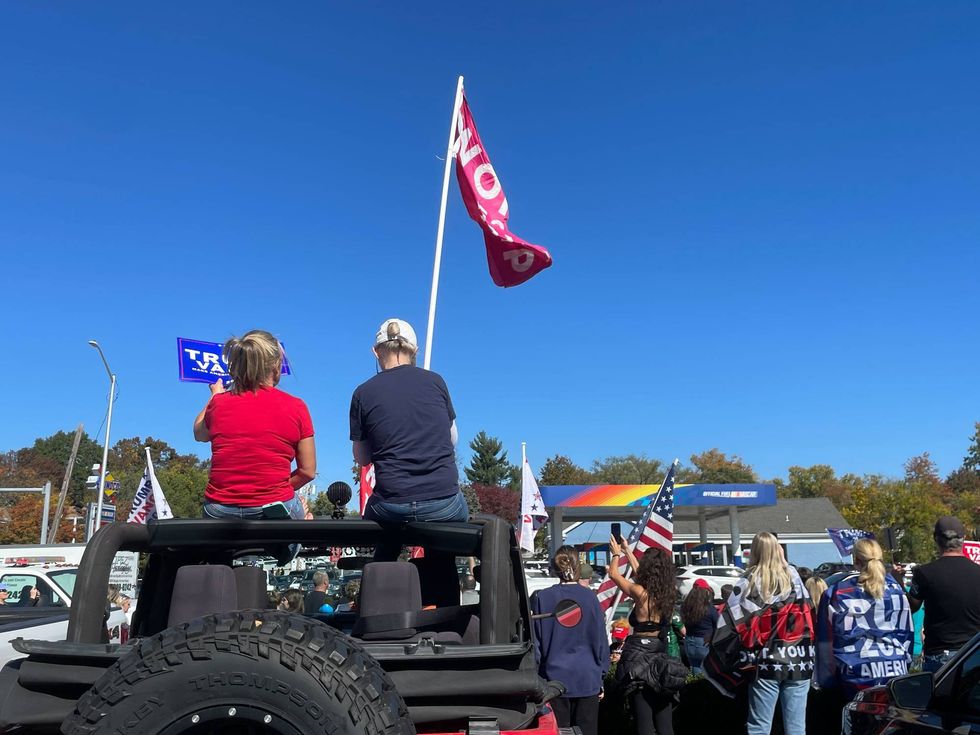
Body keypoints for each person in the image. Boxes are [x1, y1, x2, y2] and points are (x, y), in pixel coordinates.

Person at [351, 319, 467, 558]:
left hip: (391, 503)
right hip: (443, 501)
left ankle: (383, 579)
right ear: (415, 351)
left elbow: (362, 458)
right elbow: (452, 439)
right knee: (442, 547)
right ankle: (439, 585)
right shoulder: (436, 382)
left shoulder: (363, 393)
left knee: (384, 534)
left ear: (376, 351)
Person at [194, 330, 316, 520]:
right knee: (303, 509)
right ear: (276, 366)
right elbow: (308, 471)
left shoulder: (219, 403)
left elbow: (199, 433)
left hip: (219, 511)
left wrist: (214, 395)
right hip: (273, 509)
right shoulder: (296, 406)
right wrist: (270, 493)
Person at [704, 532, 814, 735]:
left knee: (759, 726)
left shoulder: (749, 582)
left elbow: (732, 623)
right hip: (799, 658)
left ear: (754, 551)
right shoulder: (794, 578)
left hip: (766, 662)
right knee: (797, 727)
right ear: (778, 550)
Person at [816, 538, 913, 704]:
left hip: (854, 670)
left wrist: (826, 681)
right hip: (895, 667)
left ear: (856, 561)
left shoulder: (836, 593)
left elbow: (826, 641)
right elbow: (907, 634)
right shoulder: (898, 592)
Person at [609, 535, 684, 735]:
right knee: (664, 721)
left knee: (643, 721)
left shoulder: (640, 593)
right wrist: (628, 551)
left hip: (638, 657)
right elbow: (640, 574)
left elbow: (613, 574)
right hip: (661, 655)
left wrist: (616, 554)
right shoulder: (668, 593)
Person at [531, 546, 608, 735]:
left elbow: (536, 645)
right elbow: (600, 641)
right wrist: (601, 675)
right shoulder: (590, 597)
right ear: (578, 567)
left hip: (553, 681)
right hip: (587, 677)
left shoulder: (543, 597)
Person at [907, 516, 980, 672]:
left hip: (939, 657)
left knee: (941, 697)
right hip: (974, 654)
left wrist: (899, 582)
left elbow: (911, 607)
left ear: (936, 539)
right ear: (964, 538)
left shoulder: (924, 573)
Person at [679, 579, 717, 674]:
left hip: (689, 641)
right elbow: (718, 624)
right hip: (704, 642)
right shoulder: (708, 608)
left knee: (694, 667)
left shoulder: (685, 606)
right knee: (706, 670)